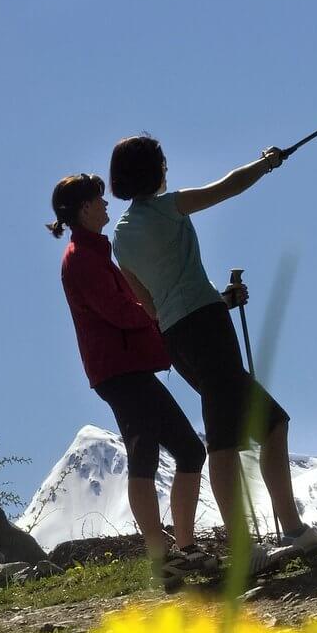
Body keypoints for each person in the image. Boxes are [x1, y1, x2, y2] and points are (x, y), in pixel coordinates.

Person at [106, 135, 317, 554]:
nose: (167, 169)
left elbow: (152, 304)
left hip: (178, 340)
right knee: (226, 439)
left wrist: (220, 300)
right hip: (208, 329)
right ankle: (254, 545)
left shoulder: (121, 239)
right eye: (162, 162)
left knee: (270, 424)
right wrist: (267, 162)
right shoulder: (168, 206)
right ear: (152, 170)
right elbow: (226, 187)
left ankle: (290, 530)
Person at [49, 172, 217, 589]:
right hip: (120, 368)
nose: (107, 206)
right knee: (153, 453)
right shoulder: (81, 259)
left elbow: (127, 307)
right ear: (86, 208)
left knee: (188, 450)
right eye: (100, 200)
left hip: (126, 367)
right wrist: (159, 313)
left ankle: (180, 549)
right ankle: (167, 555)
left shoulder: (91, 254)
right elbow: (120, 312)